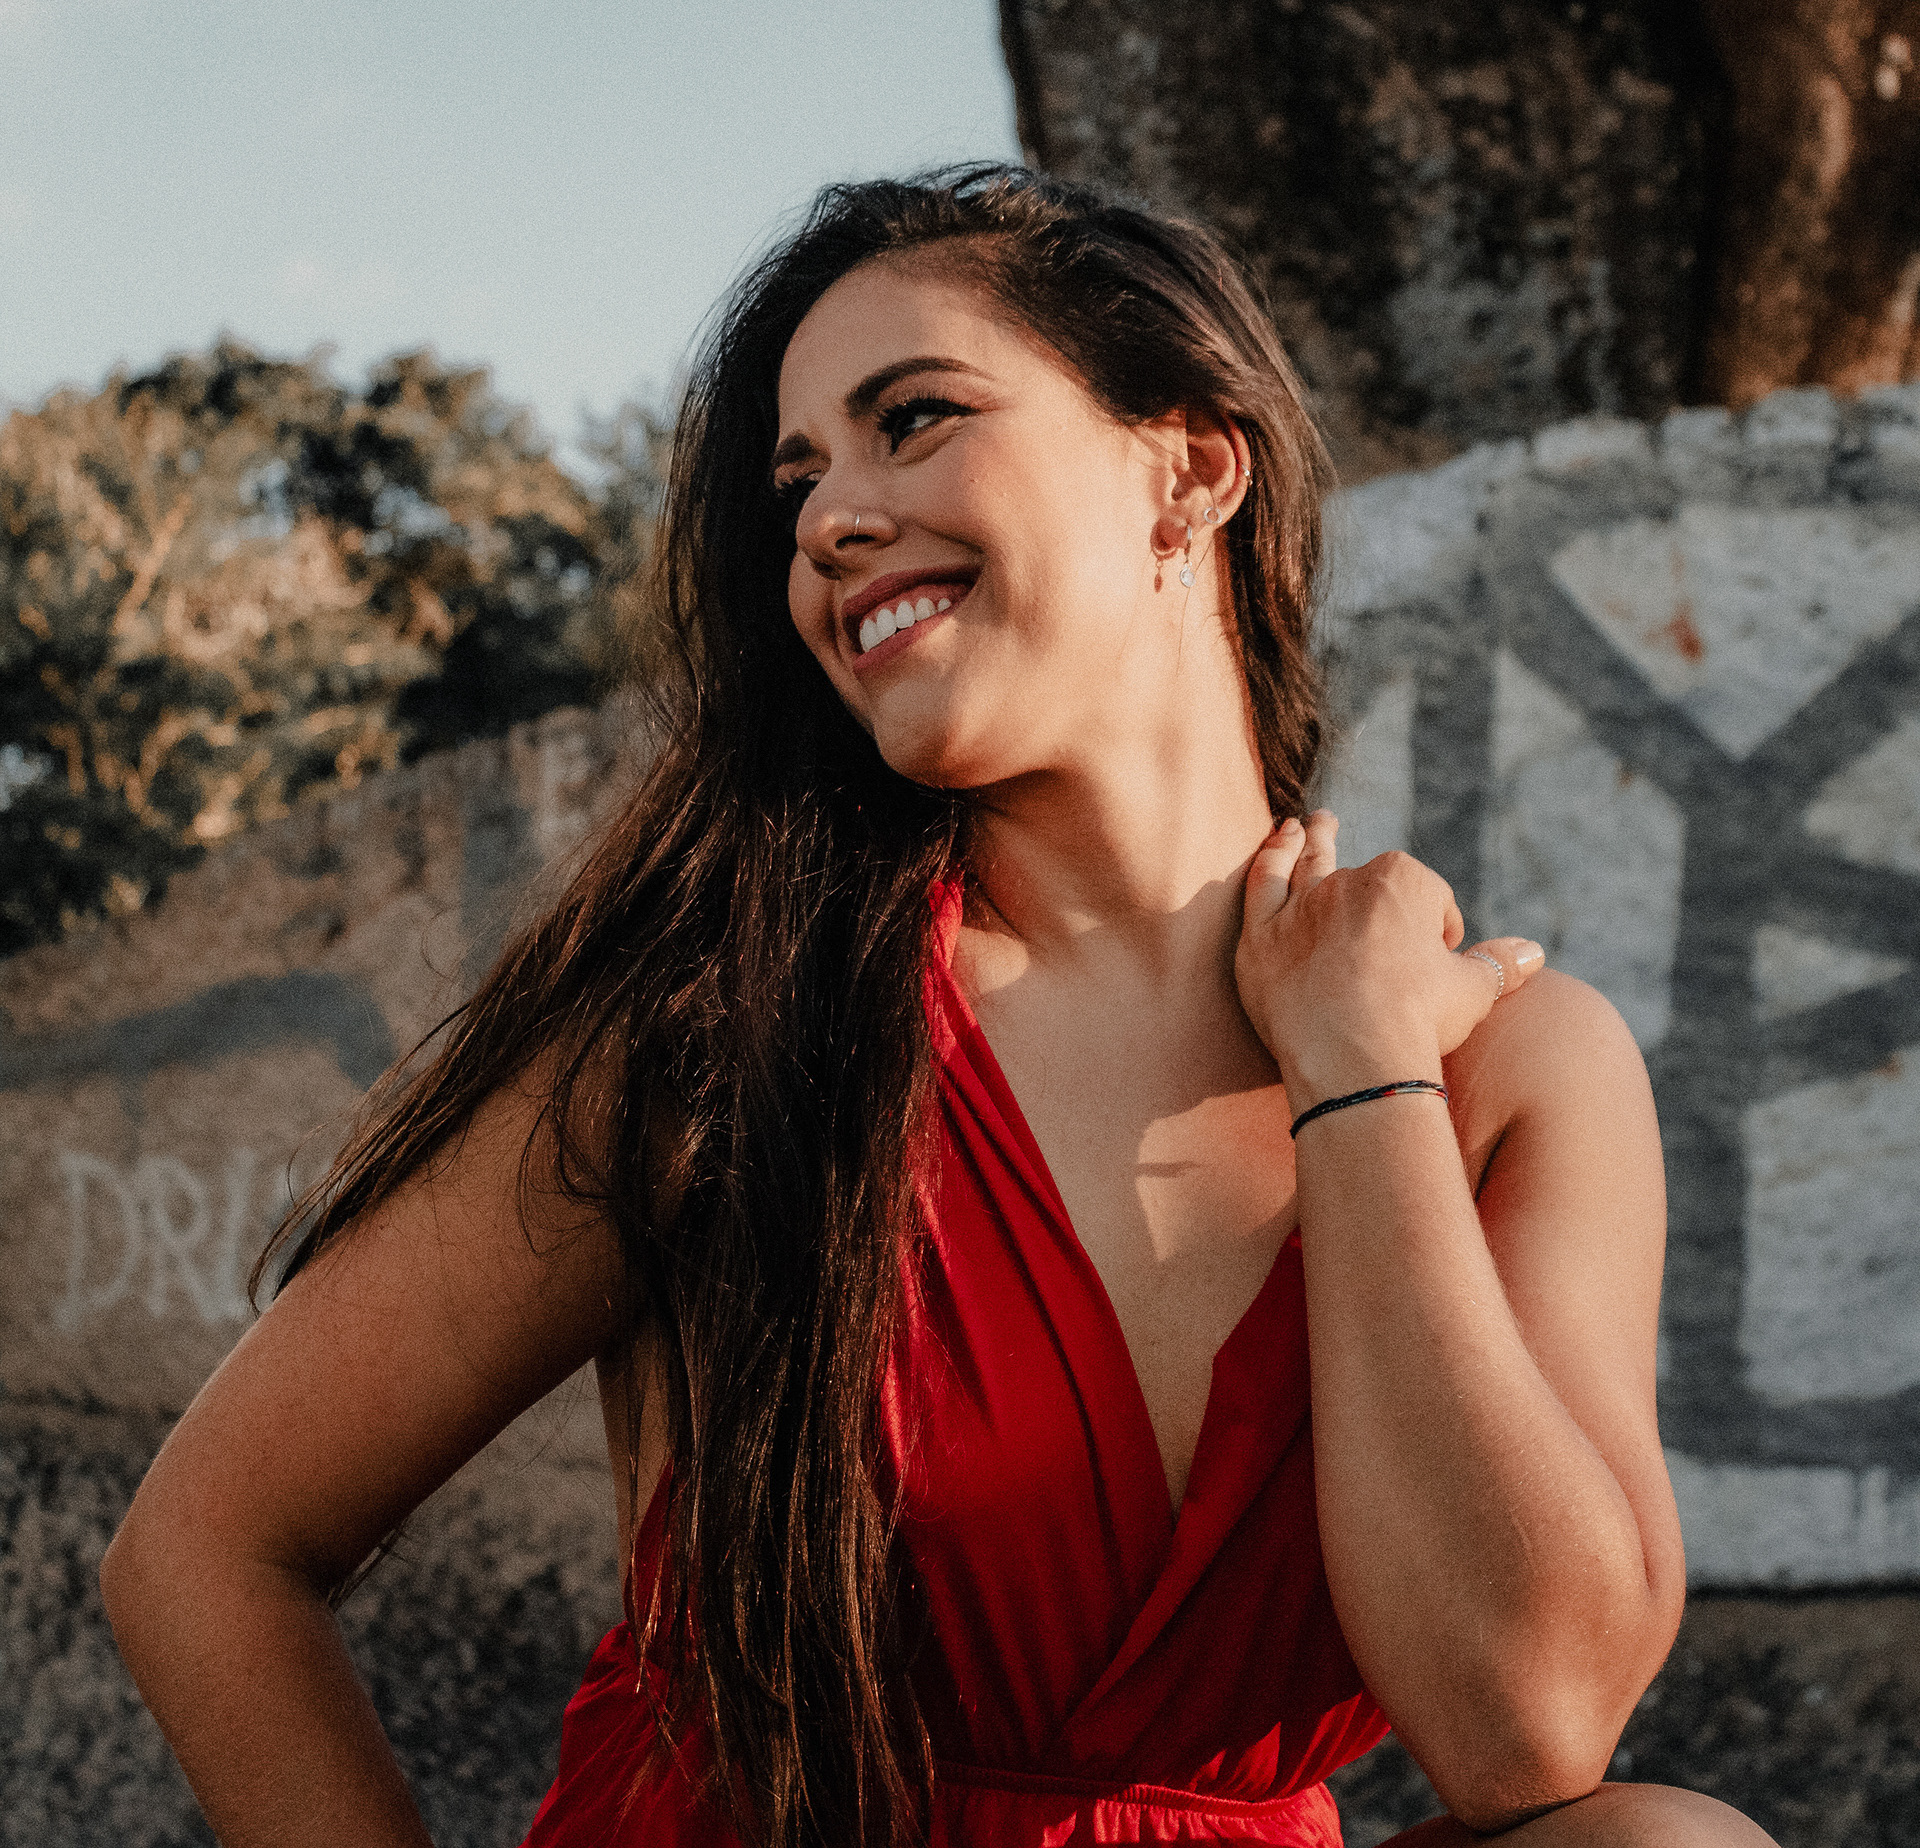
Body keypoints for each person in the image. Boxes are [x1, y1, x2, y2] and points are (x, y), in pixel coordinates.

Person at [101, 166, 1774, 1848]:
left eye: (913, 420)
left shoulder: (1509, 1064)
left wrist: (1361, 1075)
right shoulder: (721, 1027)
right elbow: (210, 1550)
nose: (829, 520)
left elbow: (1527, 1728)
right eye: (800, 481)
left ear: (1191, 470)